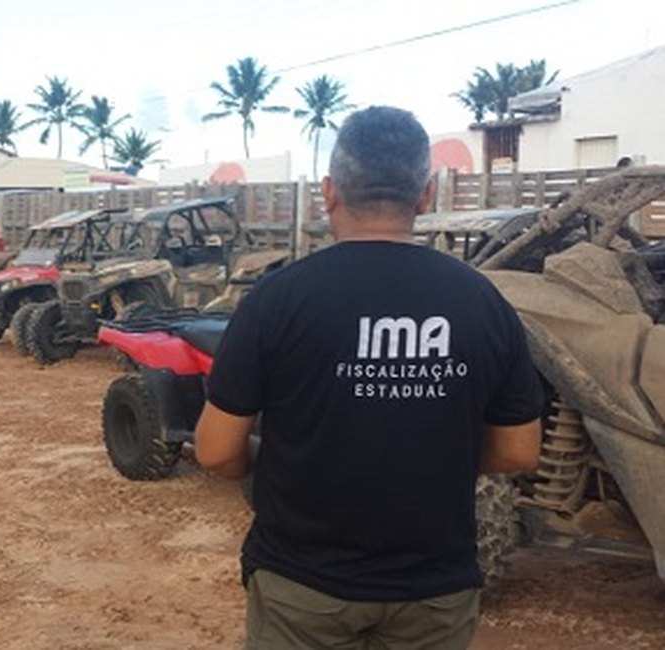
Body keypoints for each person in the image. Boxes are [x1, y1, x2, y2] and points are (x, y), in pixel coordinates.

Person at [195, 106, 543, 650]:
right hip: (434, 592)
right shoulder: (482, 301)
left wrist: (263, 469)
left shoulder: (276, 300)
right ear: (426, 195)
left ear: (329, 193)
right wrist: (431, 462)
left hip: (302, 589)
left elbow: (216, 451)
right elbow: (519, 452)